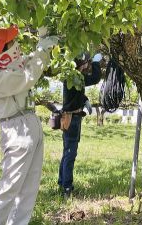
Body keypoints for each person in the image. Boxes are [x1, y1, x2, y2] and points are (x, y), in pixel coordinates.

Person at [0, 25, 58, 225]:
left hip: (29, 124)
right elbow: (28, 76)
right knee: (9, 188)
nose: (16, 43)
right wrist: (43, 47)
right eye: (11, 41)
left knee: (29, 189)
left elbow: (28, 62)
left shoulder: (6, 66)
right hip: (17, 130)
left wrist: (42, 48)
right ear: (3, 49)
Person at [58, 52, 102, 198]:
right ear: (81, 64)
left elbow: (77, 93)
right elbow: (95, 78)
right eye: (87, 63)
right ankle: (67, 188)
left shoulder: (72, 77)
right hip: (72, 119)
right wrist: (96, 63)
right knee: (70, 153)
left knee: (67, 152)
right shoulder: (75, 77)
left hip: (70, 117)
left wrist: (85, 100)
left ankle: (62, 182)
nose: (87, 65)